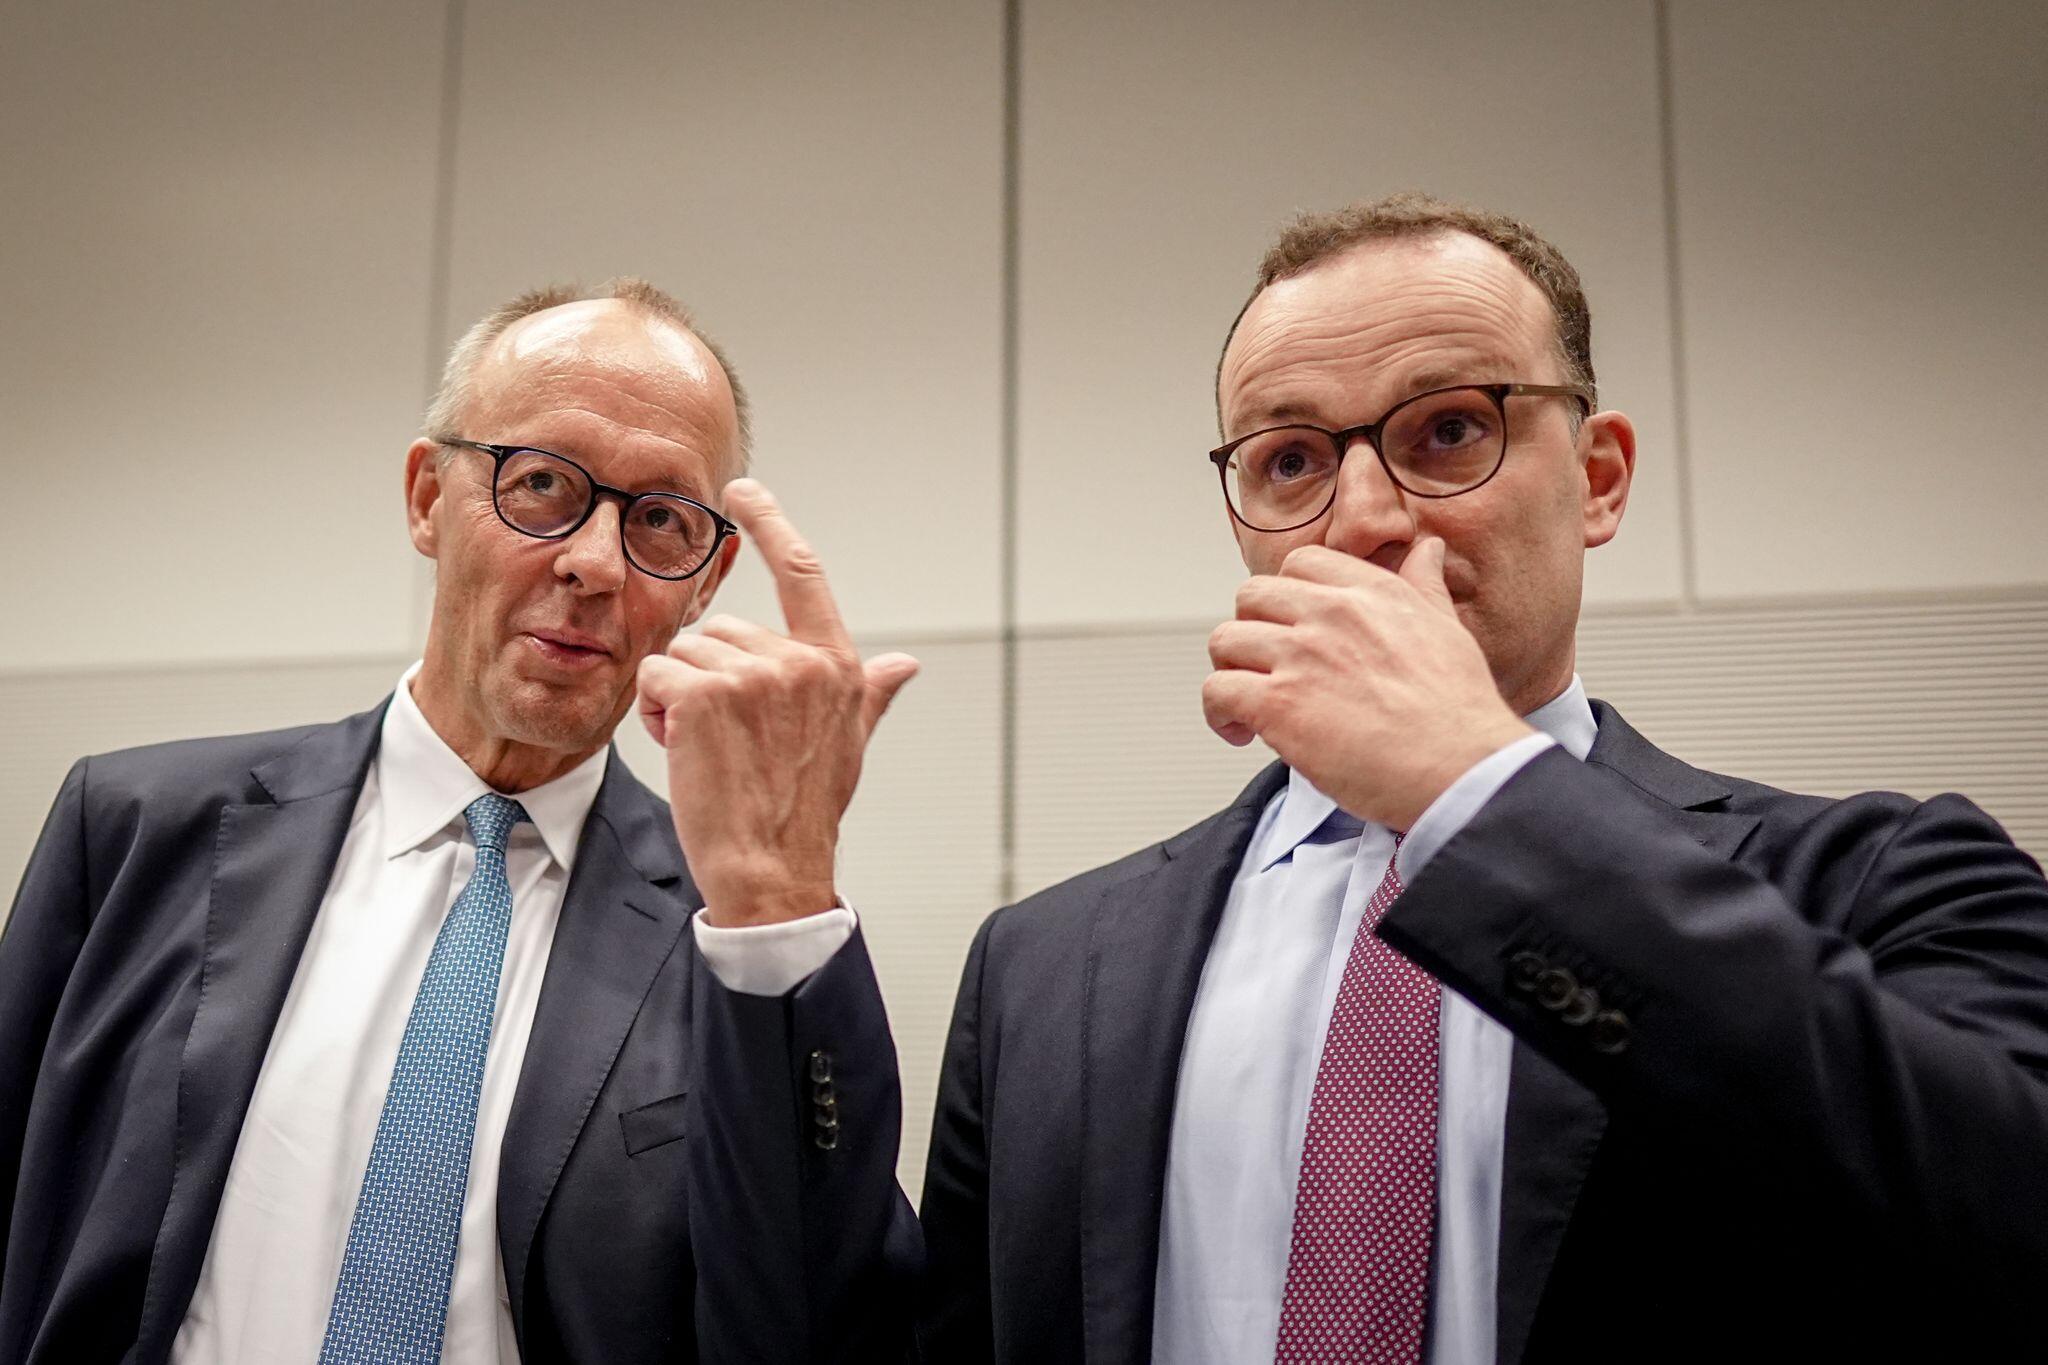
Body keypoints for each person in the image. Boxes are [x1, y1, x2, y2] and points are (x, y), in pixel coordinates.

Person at [913, 193, 2048, 1362]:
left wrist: (1471, 787)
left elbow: (2006, 1231)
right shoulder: (1040, 969)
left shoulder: (1881, 882)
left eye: (1448, 430)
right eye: (1289, 460)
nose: (1362, 520)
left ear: (1597, 479)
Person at [0, 278, 920, 1363]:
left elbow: (825, 1327)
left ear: (707, 578)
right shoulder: (138, 829)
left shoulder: (732, 939)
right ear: (428, 498)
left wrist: (777, 901)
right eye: (542, 484)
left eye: (661, 520)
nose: (593, 562)